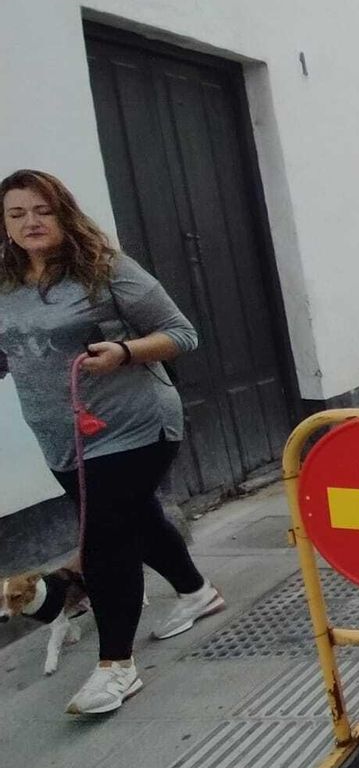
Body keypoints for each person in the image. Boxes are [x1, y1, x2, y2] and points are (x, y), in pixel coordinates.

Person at [0, 169, 223, 715]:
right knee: (137, 519)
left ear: (63, 212)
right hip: (60, 437)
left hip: (134, 426)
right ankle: (197, 592)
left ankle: (115, 668)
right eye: (16, 213)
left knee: (107, 539)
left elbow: (182, 333)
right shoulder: (4, 284)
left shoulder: (106, 270)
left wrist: (123, 353)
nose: (31, 222)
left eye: (42, 210)